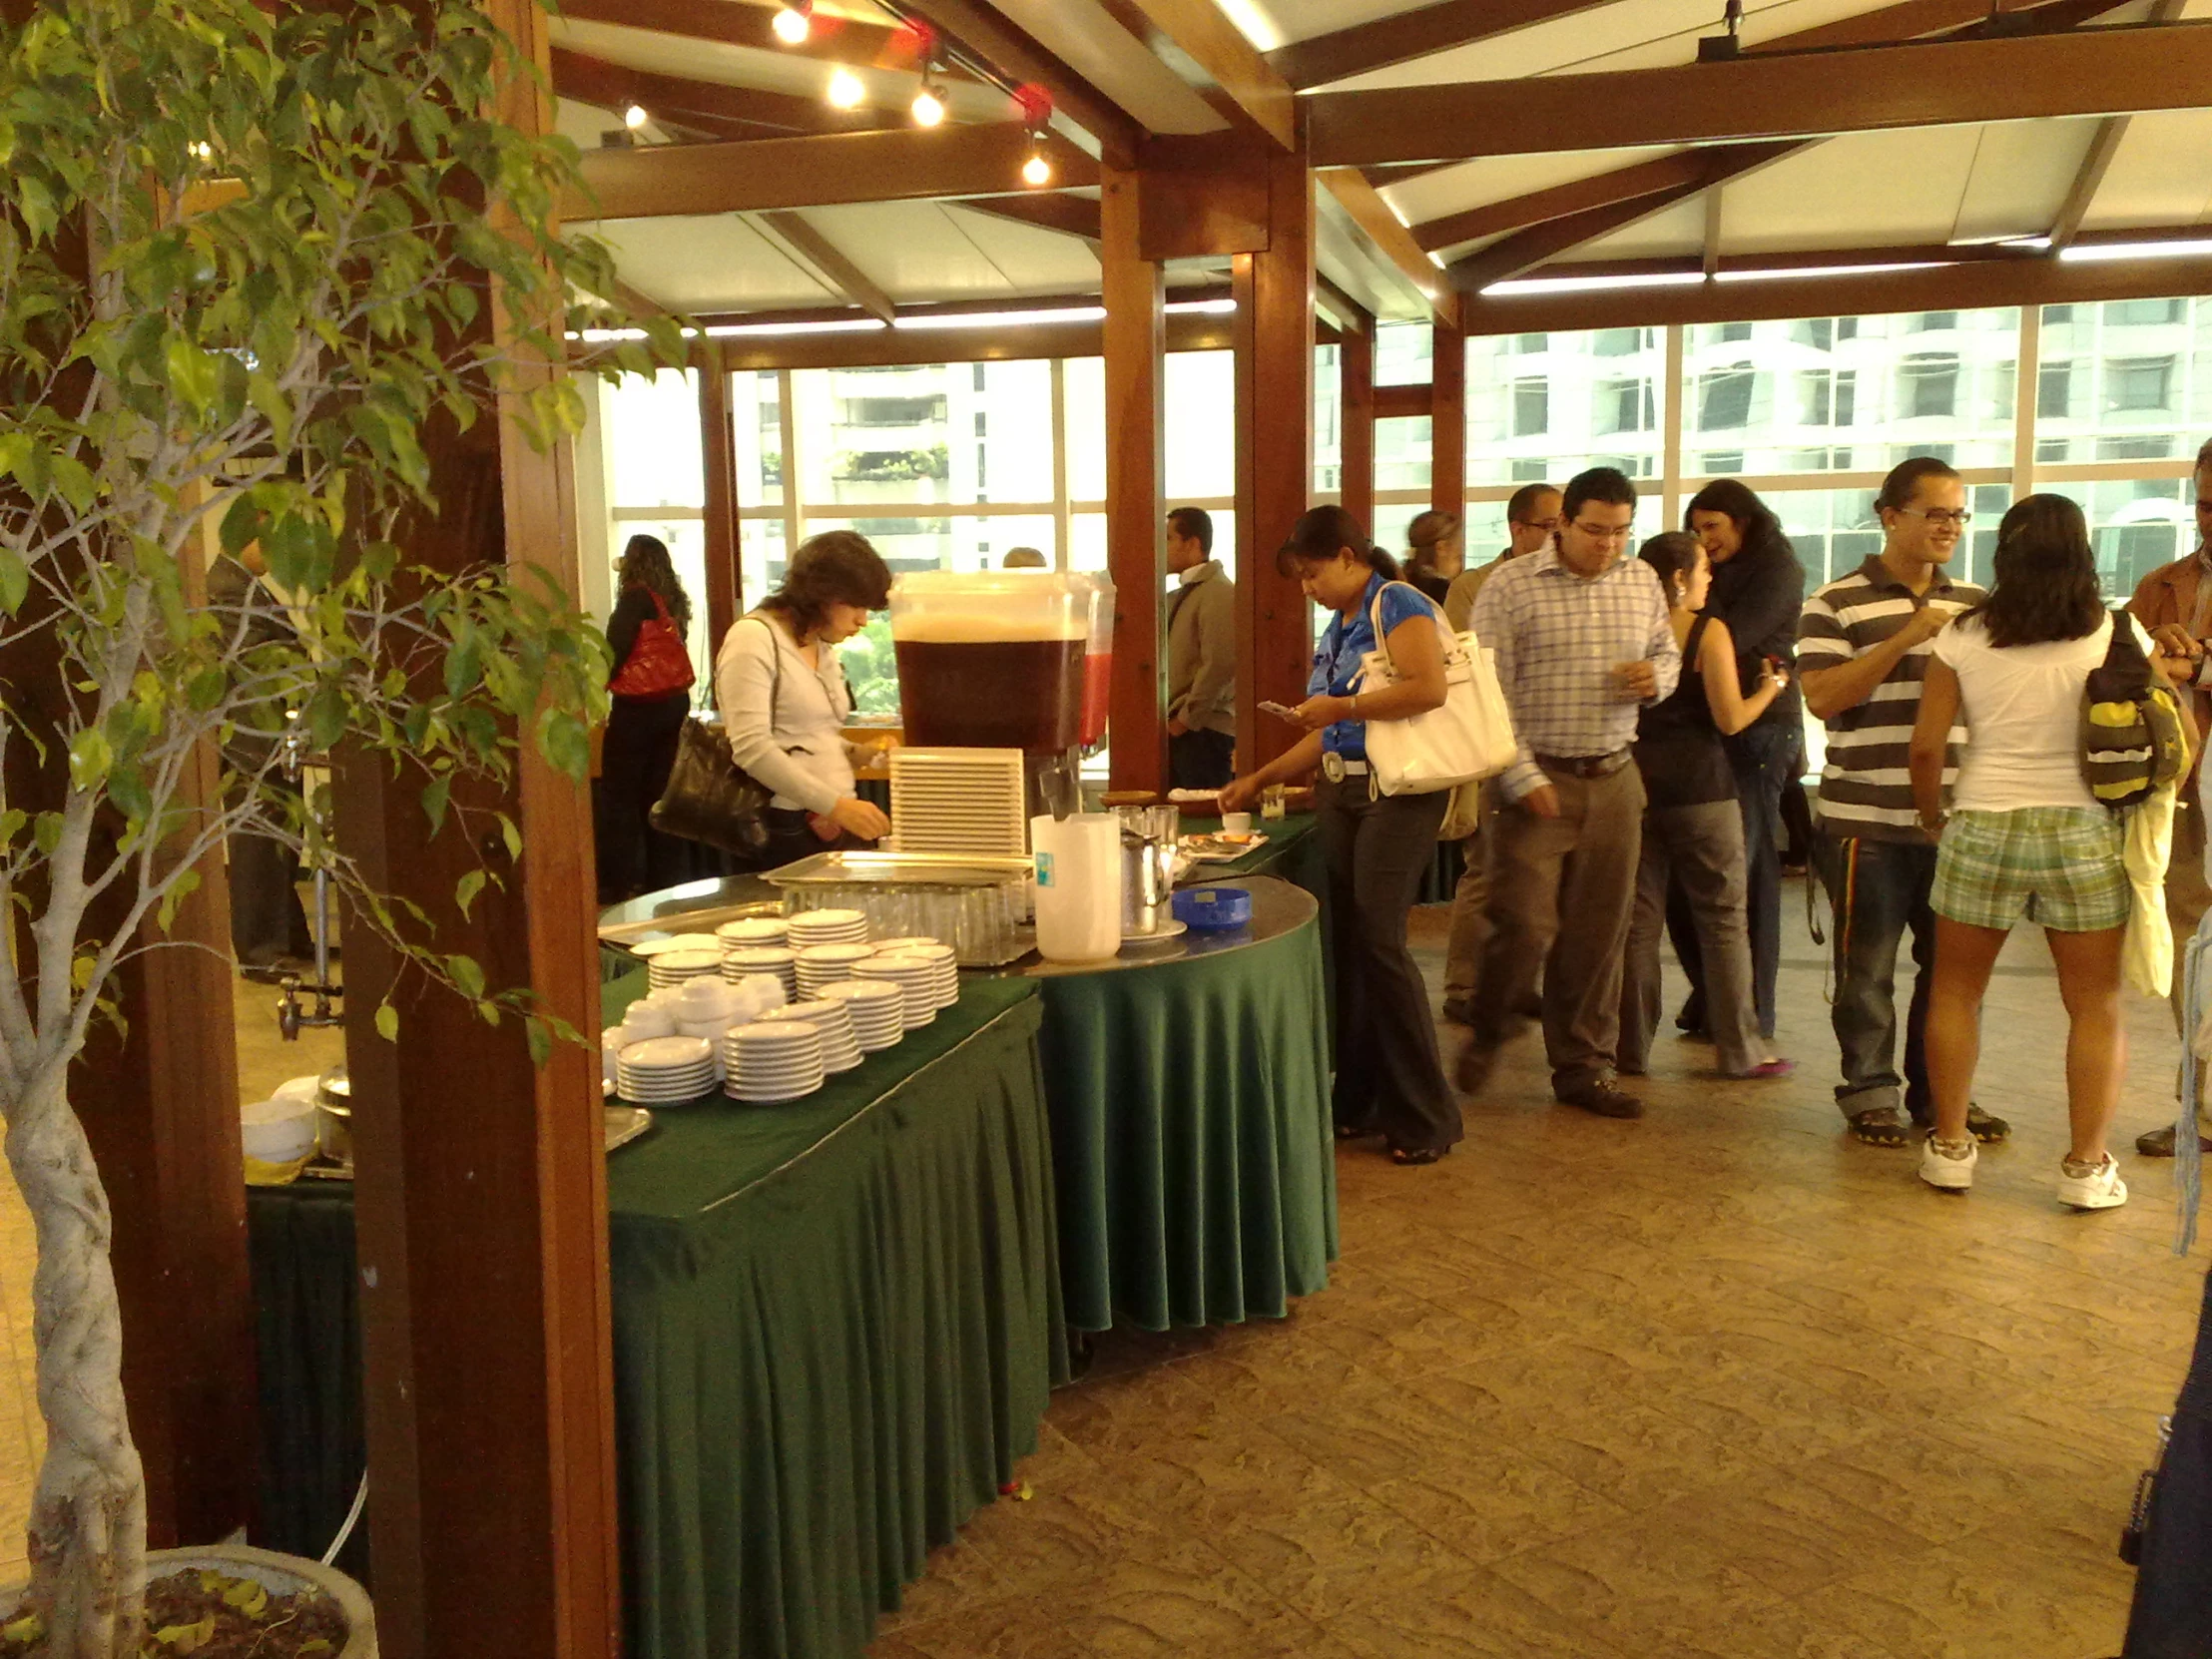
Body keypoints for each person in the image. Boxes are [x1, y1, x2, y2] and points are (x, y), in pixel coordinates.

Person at [1909, 494, 2160, 1208]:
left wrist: (1935, 820)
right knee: (2094, 1005)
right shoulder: (2115, 629)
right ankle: (2085, 1167)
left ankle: (1951, 1149)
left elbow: (1926, 747)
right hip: (2083, 829)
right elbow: (2167, 729)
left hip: (1983, 822)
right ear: (2081, 551)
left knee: (1956, 991)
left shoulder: (1962, 634)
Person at [1217, 506, 1459, 1165]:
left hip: (1398, 791)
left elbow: (1429, 688)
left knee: (1380, 942)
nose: (1307, 587)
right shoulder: (1341, 624)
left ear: (1350, 556)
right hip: (1343, 789)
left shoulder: (1397, 601)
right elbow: (1325, 730)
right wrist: (1260, 777)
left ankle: (1426, 1116)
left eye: (1313, 572)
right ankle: (1360, 1099)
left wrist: (1346, 705)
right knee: (1353, 945)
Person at [1452, 467, 1681, 1119]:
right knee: (1524, 923)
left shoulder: (1640, 582)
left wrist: (1653, 679)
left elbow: (1668, 655)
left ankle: (1584, 1066)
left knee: (1598, 931)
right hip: (1535, 778)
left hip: (1614, 776)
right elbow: (1485, 694)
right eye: (1594, 530)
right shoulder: (1512, 586)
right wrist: (1521, 775)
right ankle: (1489, 1025)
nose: (1608, 544)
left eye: (1620, 532)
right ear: (1563, 524)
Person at [1797, 457, 2009, 1149]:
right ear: (1891, 516)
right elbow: (1824, 697)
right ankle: (1869, 1091)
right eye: (1936, 514)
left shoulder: (1979, 603)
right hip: (1868, 818)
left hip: (1958, 818)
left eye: (1958, 515)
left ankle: (1942, 1094)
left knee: (1953, 974)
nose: (1950, 527)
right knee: (1867, 970)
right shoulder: (1835, 602)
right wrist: (1906, 637)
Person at [1618, 531, 1794, 1082]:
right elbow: (1730, 719)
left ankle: (1629, 1050)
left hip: (1636, 788)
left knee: (1638, 926)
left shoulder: (1622, 629)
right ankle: (1740, 1049)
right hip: (1702, 789)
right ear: (1678, 578)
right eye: (1702, 570)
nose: (1710, 578)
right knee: (1722, 920)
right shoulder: (1705, 631)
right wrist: (1772, 688)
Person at [1673, 480, 1806, 1040]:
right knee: (1706, 873)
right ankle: (1716, 997)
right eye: (1696, 531)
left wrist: (1694, 590)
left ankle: (1748, 1010)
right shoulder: (1720, 573)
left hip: (1761, 729)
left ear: (1743, 522)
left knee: (1742, 873)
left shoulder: (1778, 569)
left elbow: (1725, 637)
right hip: (1715, 726)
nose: (1705, 541)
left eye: (1713, 528)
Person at [1439, 481, 1560, 1024]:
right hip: (1490, 746)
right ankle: (1464, 986)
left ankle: (1517, 984)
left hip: (1552, 748)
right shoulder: (1473, 587)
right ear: (1518, 529)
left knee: (1539, 874)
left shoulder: (1568, 584)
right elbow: (1472, 665)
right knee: (1486, 867)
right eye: (1550, 526)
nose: (1559, 536)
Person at [2123, 434, 2212, 1158]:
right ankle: (2204, 1106)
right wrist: (2157, 655)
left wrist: (2201, 663)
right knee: (2186, 944)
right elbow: (2119, 662)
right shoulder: (2161, 582)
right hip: (2181, 780)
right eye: (2207, 504)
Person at [715, 530, 893, 869]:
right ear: (823, 594)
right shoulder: (753, 638)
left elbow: (808, 734)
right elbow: (751, 748)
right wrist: (835, 805)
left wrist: (858, 753)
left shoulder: (819, 644)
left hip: (830, 821)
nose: (863, 620)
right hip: (781, 826)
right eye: (855, 605)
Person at [209, 539, 317, 981]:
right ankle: (261, 952)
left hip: (268, 738)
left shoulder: (243, 585)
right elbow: (255, 667)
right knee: (258, 849)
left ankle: (288, 940)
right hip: (252, 742)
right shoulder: (227, 589)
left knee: (278, 845)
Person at [598, 534, 697, 903]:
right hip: (674, 705)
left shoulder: (634, 598)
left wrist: (601, 683)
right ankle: (665, 882)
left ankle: (621, 883)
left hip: (637, 709)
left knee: (619, 797)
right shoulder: (673, 603)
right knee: (661, 796)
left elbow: (614, 650)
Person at [1164, 506, 1236, 791]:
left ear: (1192, 543)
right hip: (1187, 730)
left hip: (1204, 732)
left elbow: (1220, 662)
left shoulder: (1218, 592)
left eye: (1169, 538)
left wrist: (1186, 719)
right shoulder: (1184, 593)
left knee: (1201, 819)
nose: (1162, 547)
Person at [1402, 510, 1463, 605]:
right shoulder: (1444, 594)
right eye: (1457, 557)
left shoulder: (1398, 584)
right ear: (1441, 548)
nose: (1460, 566)